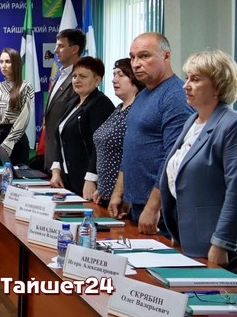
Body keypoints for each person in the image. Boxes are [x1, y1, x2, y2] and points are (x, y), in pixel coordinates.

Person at [110, 33, 193, 234]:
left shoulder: (175, 96)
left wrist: (154, 206)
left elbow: (173, 157)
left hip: (161, 210)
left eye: (144, 56)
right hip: (136, 203)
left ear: (166, 56)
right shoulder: (143, 95)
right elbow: (130, 148)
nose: (136, 64)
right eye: (132, 57)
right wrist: (120, 192)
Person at [159, 50, 237, 263]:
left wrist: (221, 242)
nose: (186, 86)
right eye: (187, 78)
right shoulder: (192, 121)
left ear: (218, 86)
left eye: (195, 79)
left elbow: (235, 189)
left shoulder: (230, 124)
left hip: (213, 243)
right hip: (184, 236)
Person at [47, 57, 114, 197]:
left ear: (97, 80)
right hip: (67, 179)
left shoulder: (100, 104)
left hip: (88, 182)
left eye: (83, 76)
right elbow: (59, 138)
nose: (77, 80)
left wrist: (91, 178)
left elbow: (100, 145)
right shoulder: (72, 103)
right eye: (74, 76)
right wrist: (56, 170)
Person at [90, 58, 144, 206]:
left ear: (134, 78)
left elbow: (134, 155)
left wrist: (120, 193)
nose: (114, 80)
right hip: (106, 193)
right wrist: (102, 187)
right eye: (114, 75)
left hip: (125, 196)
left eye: (120, 75)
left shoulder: (138, 110)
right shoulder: (119, 108)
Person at [41, 29, 84, 171]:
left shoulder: (80, 78)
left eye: (61, 46)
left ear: (74, 49)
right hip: (52, 156)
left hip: (67, 161)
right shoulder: (61, 74)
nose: (55, 50)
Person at [0, 47, 34, 166]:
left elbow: (24, 118)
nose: (3, 65)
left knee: (17, 177)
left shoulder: (26, 87)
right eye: (1, 62)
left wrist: (7, 144)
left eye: (7, 61)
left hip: (16, 142)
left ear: (16, 63)